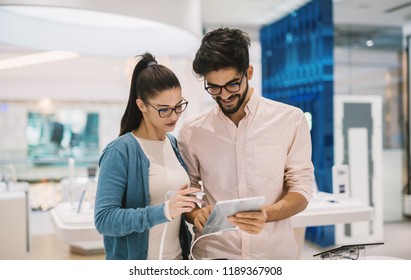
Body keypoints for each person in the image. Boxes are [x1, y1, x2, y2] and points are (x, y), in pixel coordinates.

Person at [178, 28, 314, 260]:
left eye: (232, 85)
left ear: (249, 73)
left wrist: (266, 214)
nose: (224, 96)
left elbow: (301, 189)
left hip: (273, 257)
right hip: (214, 255)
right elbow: (187, 191)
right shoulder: (193, 131)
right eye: (214, 87)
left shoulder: (290, 120)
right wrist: (196, 213)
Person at [94, 52, 202, 260]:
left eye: (178, 106)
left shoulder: (173, 144)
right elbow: (104, 219)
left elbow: (171, 202)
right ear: (141, 105)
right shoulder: (120, 151)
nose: (174, 116)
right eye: (164, 110)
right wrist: (163, 211)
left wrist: (191, 205)